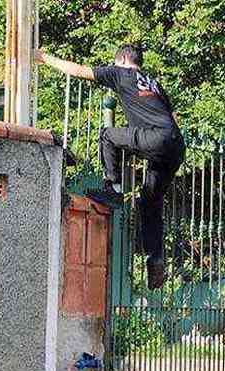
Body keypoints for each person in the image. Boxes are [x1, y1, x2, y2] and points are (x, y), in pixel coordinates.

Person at [36, 45, 185, 290]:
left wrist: (43, 58)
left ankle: (113, 188)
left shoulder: (120, 73)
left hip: (156, 138)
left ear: (123, 60)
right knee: (150, 200)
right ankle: (155, 258)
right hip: (176, 145)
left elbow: (77, 70)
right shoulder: (154, 82)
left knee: (108, 135)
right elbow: (171, 116)